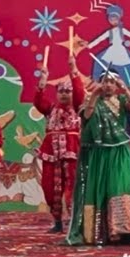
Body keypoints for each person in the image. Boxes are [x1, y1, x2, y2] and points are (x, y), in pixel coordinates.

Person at [67, 74, 130, 245]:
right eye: (105, 82)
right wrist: (94, 95)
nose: (108, 85)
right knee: (102, 188)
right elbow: (86, 116)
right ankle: (101, 232)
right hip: (100, 152)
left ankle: (124, 230)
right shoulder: (92, 100)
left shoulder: (122, 99)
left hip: (120, 150)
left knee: (120, 186)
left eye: (112, 82)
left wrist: (125, 88)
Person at [32, 63, 83, 233]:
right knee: (49, 187)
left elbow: (80, 93)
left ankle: (74, 220)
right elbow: (38, 101)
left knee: (72, 187)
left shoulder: (78, 108)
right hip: (51, 154)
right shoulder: (51, 109)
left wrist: (72, 69)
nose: (63, 94)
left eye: (67, 91)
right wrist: (43, 80)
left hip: (71, 153)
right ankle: (58, 221)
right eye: (60, 91)